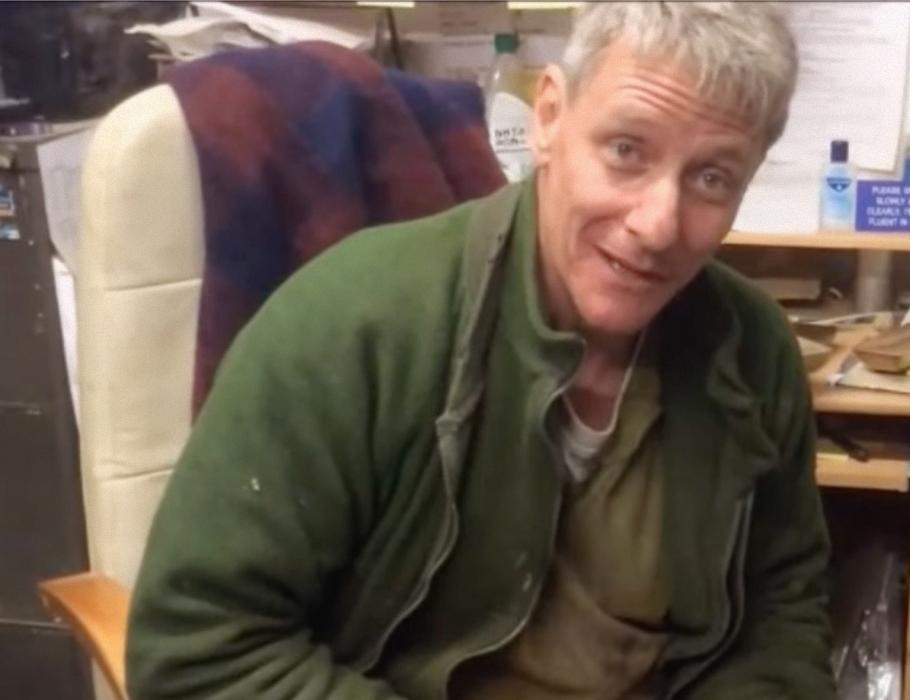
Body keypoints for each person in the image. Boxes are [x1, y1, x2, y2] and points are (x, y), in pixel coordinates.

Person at [126, 3, 834, 699]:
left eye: (712, 179)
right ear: (549, 118)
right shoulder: (353, 325)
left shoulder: (751, 350)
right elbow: (199, 653)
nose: (657, 225)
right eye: (626, 150)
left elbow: (781, 620)